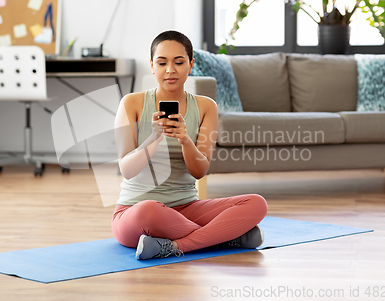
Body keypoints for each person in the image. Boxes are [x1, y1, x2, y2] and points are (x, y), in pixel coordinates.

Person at [112, 30, 268, 260]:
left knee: (256, 203)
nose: (170, 70)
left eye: (179, 62)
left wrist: (185, 140)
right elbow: (127, 169)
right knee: (149, 210)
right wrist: (153, 139)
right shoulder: (132, 103)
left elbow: (199, 170)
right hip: (136, 211)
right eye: (162, 62)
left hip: (187, 209)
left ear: (191, 64)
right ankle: (225, 238)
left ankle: (173, 246)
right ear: (152, 66)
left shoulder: (206, 107)